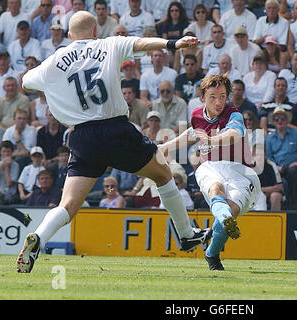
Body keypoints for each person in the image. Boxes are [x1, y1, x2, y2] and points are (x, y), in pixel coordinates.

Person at [17, 11, 211, 273]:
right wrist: (172, 44)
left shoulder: (54, 61)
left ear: (70, 36)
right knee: (164, 174)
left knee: (69, 205)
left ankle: (38, 238)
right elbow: (141, 43)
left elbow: (25, 83)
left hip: (83, 138)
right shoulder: (108, 44)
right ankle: (186, 235)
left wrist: (54, 87)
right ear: (95, 31)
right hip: (116, 129)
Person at [159, 74, 262, 271]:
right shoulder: (197, 115)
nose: (218, 101)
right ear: (203, 97)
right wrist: (167, 146)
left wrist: (211, 140)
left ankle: (212, 252)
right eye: (213, 96)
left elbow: (234, 134)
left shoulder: (234, 115)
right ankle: (224, 219)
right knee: (216, 189)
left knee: (231, 208)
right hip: (211, 166)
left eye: (223, 96)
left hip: (241, 171)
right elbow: (192, 133)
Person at [265, 107, 297, 210]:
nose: (280, 121)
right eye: (277, 119)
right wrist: (276, 167)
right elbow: (268, 157)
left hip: (295, 167)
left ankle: (295, 204)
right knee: (275, 177)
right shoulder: (269, 139)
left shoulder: (296, 134)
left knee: (293, 172)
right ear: (273, 122)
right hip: (278, 168)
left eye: (282, 118)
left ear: (287, 120)